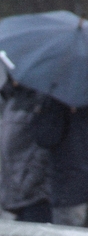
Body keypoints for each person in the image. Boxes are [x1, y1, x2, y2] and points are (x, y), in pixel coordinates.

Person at [0, 76, 52, 223]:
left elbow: (44, 147)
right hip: (16, 191)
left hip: (36, 194)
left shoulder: (40, 99)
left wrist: (29, 182)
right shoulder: (13, 98)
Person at [32, 96, 88, 227]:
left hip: (70, 186)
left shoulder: (59, 96)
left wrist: (41, 112)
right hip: (73, 183)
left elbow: (45, 137)